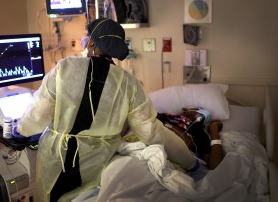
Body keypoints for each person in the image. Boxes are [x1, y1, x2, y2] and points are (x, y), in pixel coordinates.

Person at [15, 18, 198, 202]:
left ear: (92, 42)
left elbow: (39, 112)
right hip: (95, 163)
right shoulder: (128, 83)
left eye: (88, 38)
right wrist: (190, 162)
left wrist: (20, 131)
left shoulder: (64, 68)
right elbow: (152, 131)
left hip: (56, 159)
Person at [156, 108, 224, 173]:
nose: (199, 117)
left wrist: (214, 130)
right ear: (186, 110)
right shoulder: (164, 116)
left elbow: (216, 165)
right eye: (199, 110)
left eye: (204, 117)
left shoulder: (199, 135)